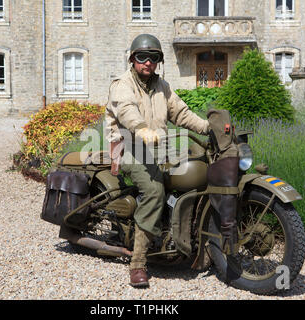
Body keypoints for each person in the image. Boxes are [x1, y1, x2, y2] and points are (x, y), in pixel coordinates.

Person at [105, 34, 215, 288]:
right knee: (154, 190)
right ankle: (138, 263)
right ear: (132, 59)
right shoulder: (122, 84)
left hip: (157, 148)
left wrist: (208, 127)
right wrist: (142, 129)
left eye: (153, 58)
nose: (148, 62)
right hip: (128, 146)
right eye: (142, 57)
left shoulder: (162, 86)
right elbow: (126, 110)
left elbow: (181, 112)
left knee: (192, 172)